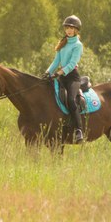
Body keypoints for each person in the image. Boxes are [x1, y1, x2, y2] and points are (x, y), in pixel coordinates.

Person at [43, 15, 84, 143]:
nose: (69, 30)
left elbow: (72, 63)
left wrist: (60, 72)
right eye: (67, 27)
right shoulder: (63, 43)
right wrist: (47, 72)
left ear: (76, 30)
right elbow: (56, 61)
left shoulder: (78, 45)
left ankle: (79, 130)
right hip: (61, 77)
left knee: (71, 99)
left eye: (71, 28)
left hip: (72, 78)